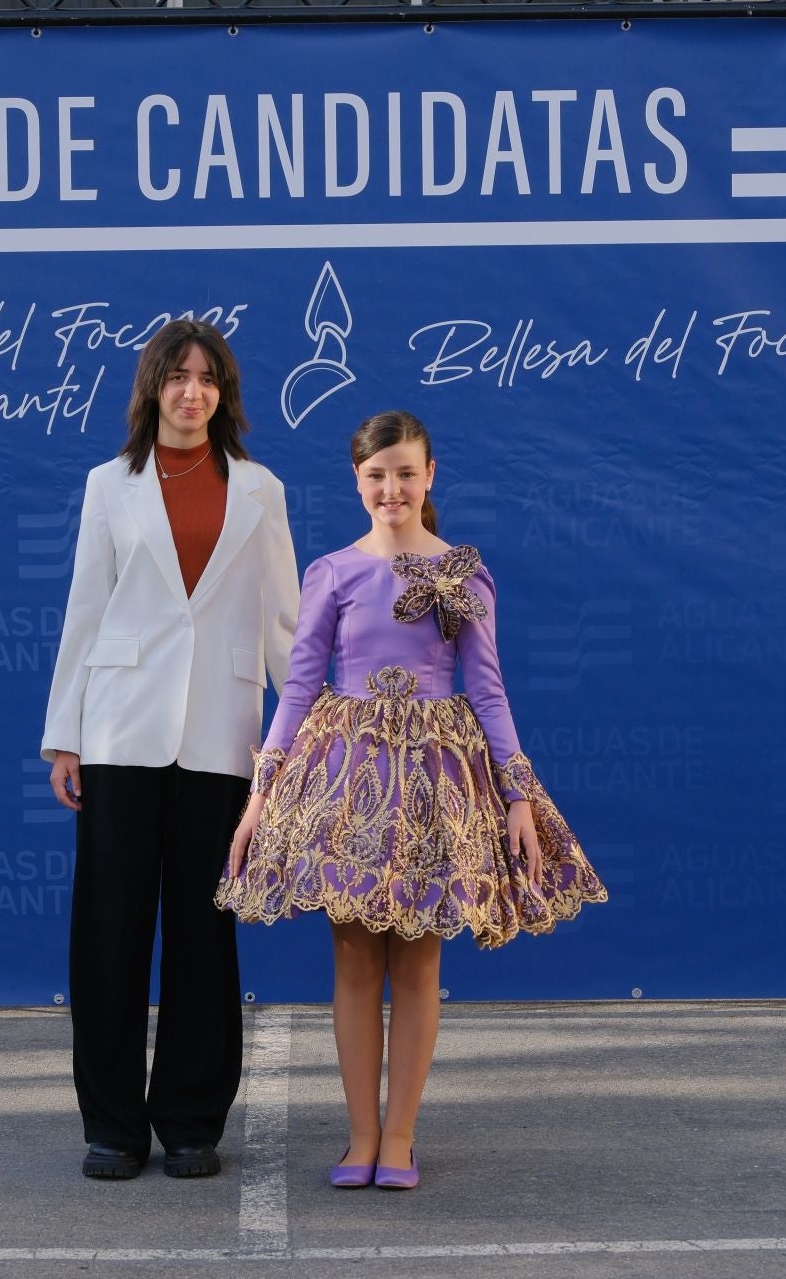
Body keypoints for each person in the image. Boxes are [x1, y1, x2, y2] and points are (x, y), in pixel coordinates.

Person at [216, 409, 606, 1191]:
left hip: (436, 775)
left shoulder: (462, 573)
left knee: (419, 963)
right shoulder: (331, 571)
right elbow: (297, 688)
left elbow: (488, 691)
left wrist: (517, 796)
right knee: (355, 959)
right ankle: (360, 1136)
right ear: (356, 481)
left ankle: (400, 1138)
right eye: (375, 474)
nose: (390, 487)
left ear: (430, 477)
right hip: (347, 776)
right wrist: (263, 791)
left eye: (404, 472)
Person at [42, 319, 300, 1181]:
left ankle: (191, 1121)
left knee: (204, 931)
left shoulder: (261, 489)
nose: (193, 392)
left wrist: (294, 740)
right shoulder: (108, 486)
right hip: (118, 729)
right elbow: (85, 610)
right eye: (178, 376)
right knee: (108, 931)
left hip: (222, 736)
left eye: (209, 378)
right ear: (153, 387)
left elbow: (283, 622)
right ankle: (112, 1126)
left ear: (224, 393)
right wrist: (65, 736)